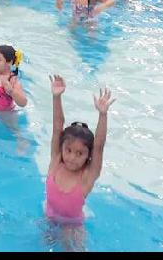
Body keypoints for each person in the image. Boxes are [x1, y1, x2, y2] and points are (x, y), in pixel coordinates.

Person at [45, 74, 115, 238]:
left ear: (88, 156)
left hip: (73, 228)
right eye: (68, 150)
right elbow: (57, 127)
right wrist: (56, 97)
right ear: (62, 148)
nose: (72, 157)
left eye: (80, 153)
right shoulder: (56, 161)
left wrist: (102, 115)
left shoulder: (87, 177)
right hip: (48, 219)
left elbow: (99, 145)